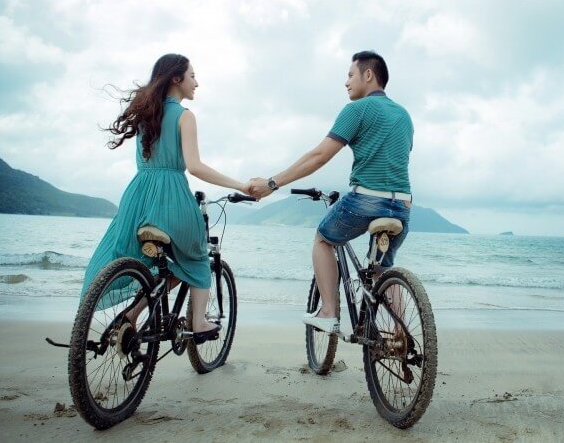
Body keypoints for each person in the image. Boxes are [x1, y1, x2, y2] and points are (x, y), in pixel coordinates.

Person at [81, 53, 251, 344]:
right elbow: (195, 166)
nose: (197, 82)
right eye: (193, 76)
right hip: (171, 197)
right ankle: (198, 321)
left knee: (163, 266)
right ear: (177, 78)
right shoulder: (185, 116)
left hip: (138, 198)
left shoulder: (146, 114)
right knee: (196, 256)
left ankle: (132, 316)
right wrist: (241, 185)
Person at [249, 51, 413, 333]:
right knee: (383, 270)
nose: (346, 82)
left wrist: (272, 183)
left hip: (365, 201)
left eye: (351, 75)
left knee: (323, 239)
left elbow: (319, 156)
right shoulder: (404, 115)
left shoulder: (356, 110)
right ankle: (403, 334)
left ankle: (328, 312)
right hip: (402, 206)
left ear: (369, 75)